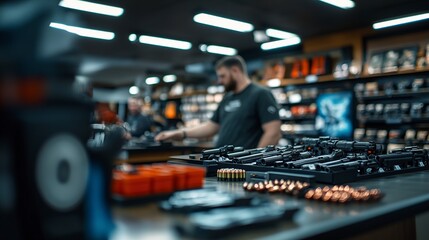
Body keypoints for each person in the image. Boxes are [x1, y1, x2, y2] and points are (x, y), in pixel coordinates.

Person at [155, 55, 281, 148]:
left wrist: (255, 160)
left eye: (222, 76)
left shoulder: (260, 94)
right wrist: (181, 133)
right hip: (225, 164)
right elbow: (211, 126)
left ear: (235, 71)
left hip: (245, 166)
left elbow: (273, 132)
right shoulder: (228, 97)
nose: (220, 81)